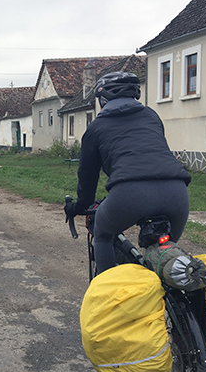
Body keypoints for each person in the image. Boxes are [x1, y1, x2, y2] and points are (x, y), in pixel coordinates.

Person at [64, 71, 191, 274]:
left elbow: (87, 175)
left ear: (103, 99)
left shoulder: (96, 127)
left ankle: (108, 293)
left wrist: (81, 205)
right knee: (164, 259)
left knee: (104, 234)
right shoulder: (151, 115)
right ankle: (176, 301)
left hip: (130, 193)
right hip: (176, 192)